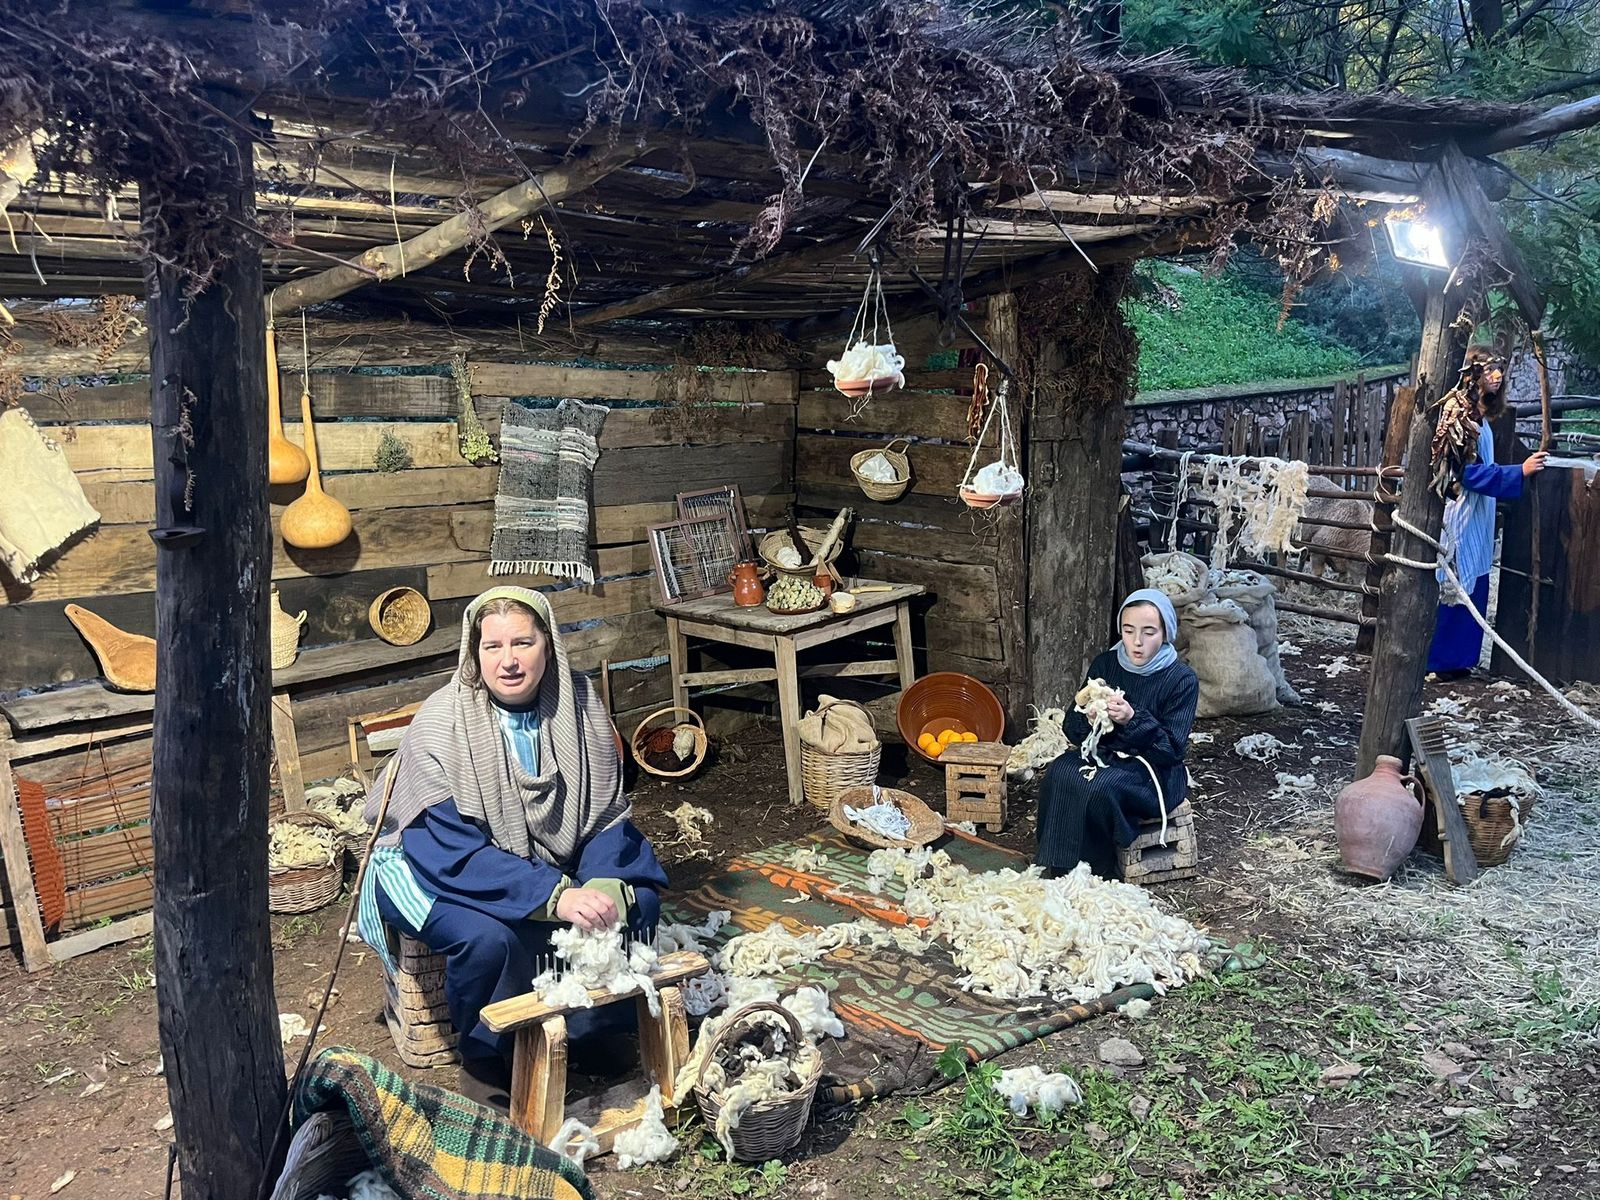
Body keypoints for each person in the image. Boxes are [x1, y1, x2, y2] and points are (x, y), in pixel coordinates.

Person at [357, 585, 667, 1105]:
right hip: (432, 862)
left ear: (549, 646)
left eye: (522, 643)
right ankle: (486, 1058)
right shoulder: (442, 723)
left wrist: (601, 880)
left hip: (538, 855)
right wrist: (555, 895)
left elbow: (605, 813)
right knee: (490, 939)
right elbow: (448, 850)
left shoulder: (581, 704)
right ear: (474, 655)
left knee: (633, 904)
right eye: (492, 647)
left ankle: (590, 1032)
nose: (508, 662)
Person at [1034, 589, 1199, 880]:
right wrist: (1088, 719)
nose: (1137, 642)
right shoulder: (1106, 665)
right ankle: (1058, 867)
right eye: (1128, 630)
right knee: (1059, 772)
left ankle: (1096, 874)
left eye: (1149, 632)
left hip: (1153, 772)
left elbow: (1171, 750)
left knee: (1099, 789)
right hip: (1103, 755)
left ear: (1165, 632)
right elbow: (1072, 729)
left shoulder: (1181, 679)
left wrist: (1132, 719)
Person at [1428, 351, 1548, 679]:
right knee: (1455, 582)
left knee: (1476, 581)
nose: (1497, 375)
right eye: (1490, 369)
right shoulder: (1461, 417)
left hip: (1479, 516)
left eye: (1500, 368)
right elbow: (1465, 472)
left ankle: (1460, 659)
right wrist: (1518, 472)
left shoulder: (1483, 419)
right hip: (1460, 513)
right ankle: (1440, 661)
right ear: (1473, 375)